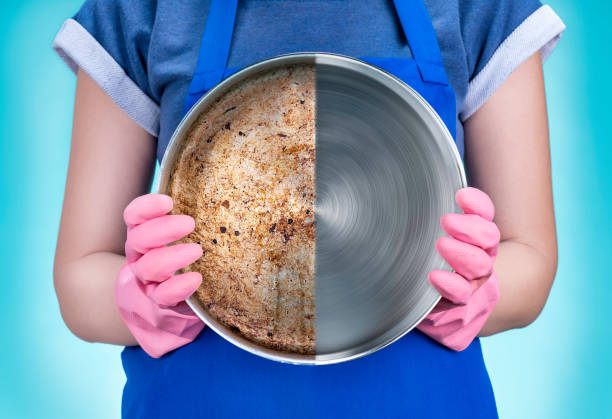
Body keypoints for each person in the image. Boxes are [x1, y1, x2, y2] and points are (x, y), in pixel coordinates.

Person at [51, 0, 564, 417]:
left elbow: (532, 255)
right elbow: (81, 274)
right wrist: (137, 302)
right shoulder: (141, 10)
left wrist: (481, 294)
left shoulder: (481, 7)